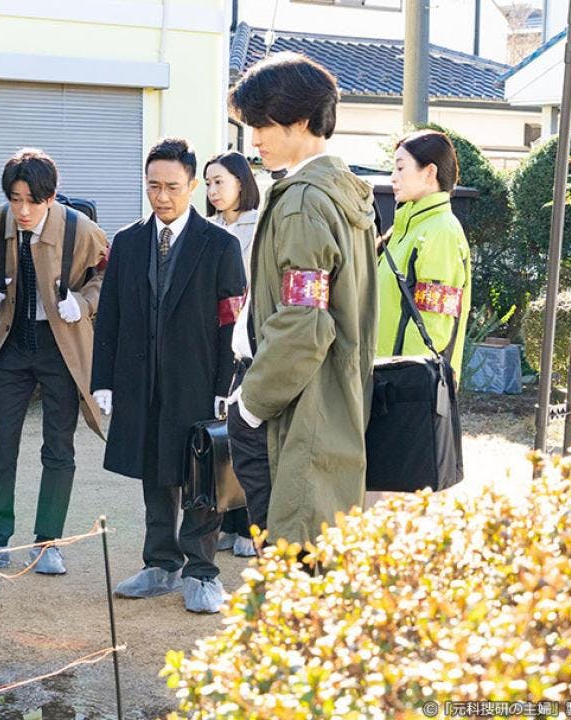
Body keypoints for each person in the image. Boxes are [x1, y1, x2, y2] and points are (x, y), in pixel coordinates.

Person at [226, 52, 378, 550]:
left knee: (291, 554)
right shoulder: (344, 191)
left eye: (262, 125)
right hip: (327, 400)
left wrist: (251, 404)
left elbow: (304, 322)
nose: (254, 139)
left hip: (293, 406)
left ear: (299, 120)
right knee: (317, 551)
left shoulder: (303, 201)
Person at [92, 137, 246, 613]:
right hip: (140, 379)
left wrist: (226, 385)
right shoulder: (127, 242)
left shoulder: (219, 245)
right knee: (154, 470)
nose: (161, 196)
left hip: (198, 378)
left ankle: (201, 571)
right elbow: (110, 315)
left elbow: (231, 322)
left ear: (192, 185)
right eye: (153, 185)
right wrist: (103, 379)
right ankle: (160, 563)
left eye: (172, 187)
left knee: (202, 474)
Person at [0, 148, 108, 575]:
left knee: (58, 445)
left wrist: (84, 303)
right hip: (13, 342)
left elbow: (106, 275)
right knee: (2, 441)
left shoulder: (81, 229)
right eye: (15, 199)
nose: (22, 210)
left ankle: (47, 543)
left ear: (51, 197)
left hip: (62, 346)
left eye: (32, 201)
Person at [202, 151, 261, 558]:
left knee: (245, 430)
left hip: (249, 339)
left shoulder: (260, 225)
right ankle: (223, 519)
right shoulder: (207, 228)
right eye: (208, 183)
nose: (212, 190)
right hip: (211, 337)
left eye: (219, 181)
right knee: (217, 429)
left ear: (241, 181)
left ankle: (247, 526)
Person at [377, 130, 471, 373]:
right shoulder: (408, 229)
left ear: (429, 172)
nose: (393, 178)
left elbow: (433, 326)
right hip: (385, 379)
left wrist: (400, 380)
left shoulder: (441, 232)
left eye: (400, 168)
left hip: (405, 386)